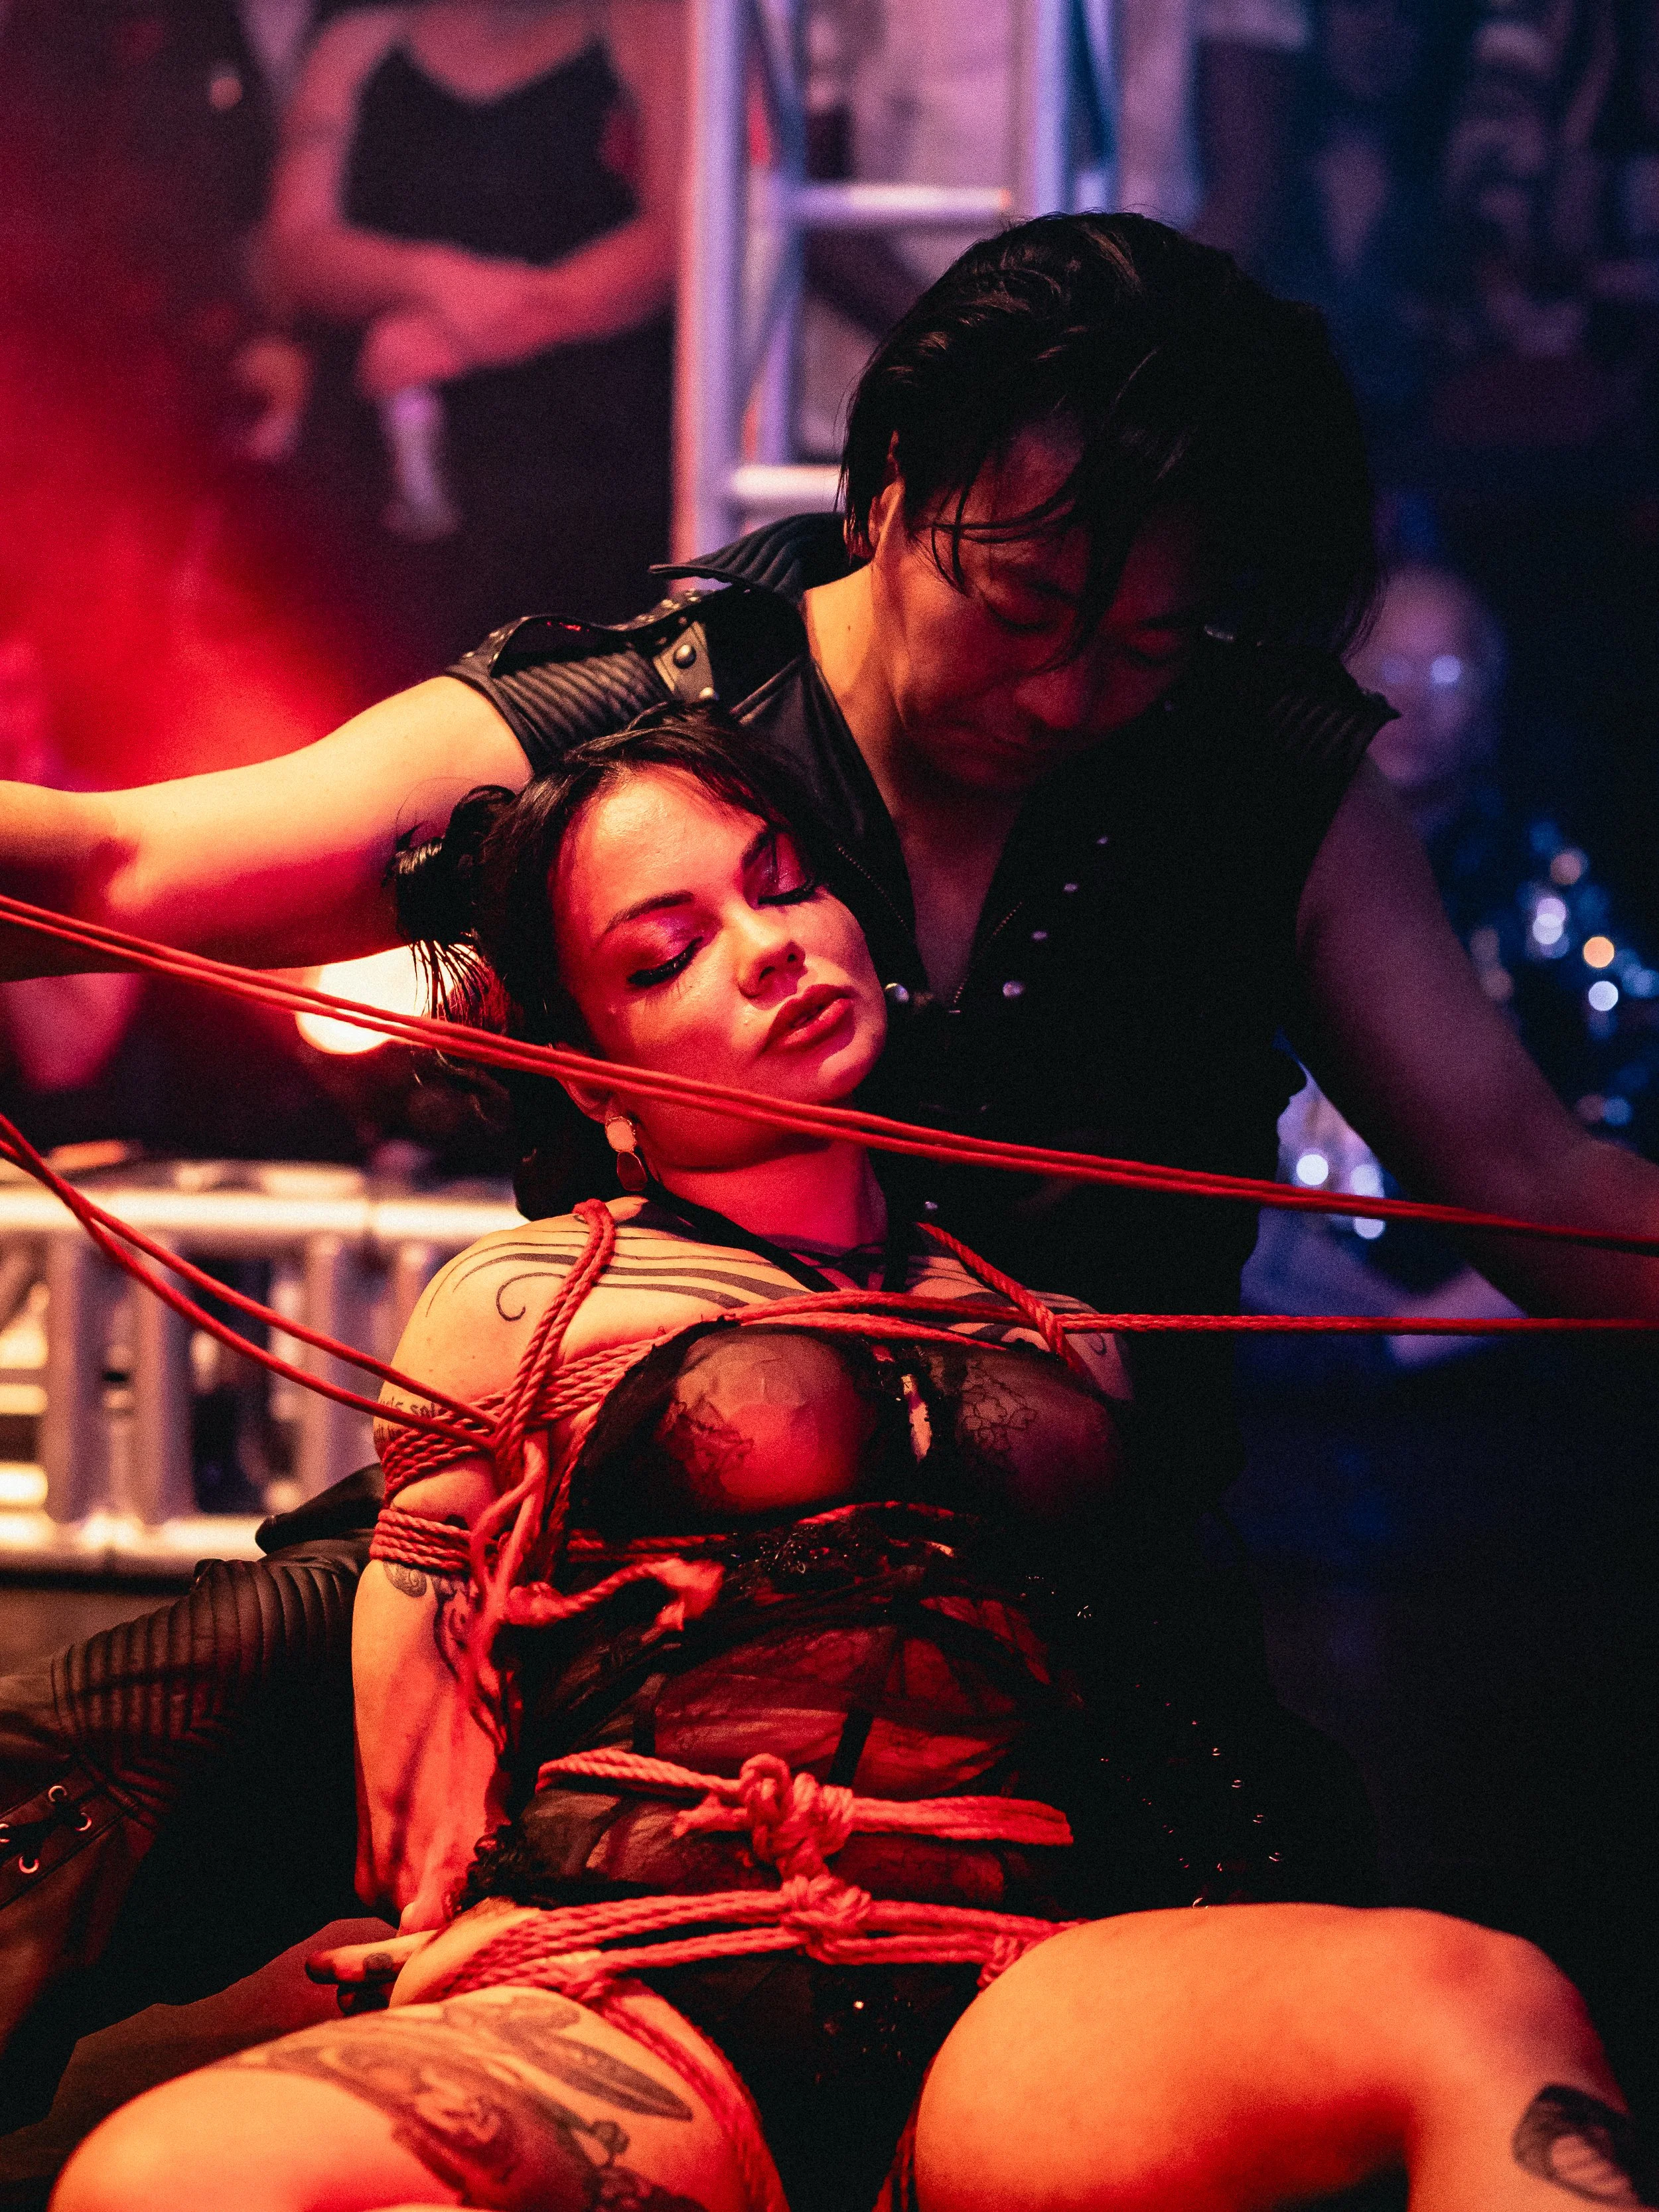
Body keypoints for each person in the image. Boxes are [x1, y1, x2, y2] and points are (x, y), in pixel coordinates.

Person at [3, 209, 1659, 2088]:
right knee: (82, 1784)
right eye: (1019, 609)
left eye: (1141, 642)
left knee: (1374, 2033)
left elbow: (1522, 1179)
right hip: (584, 1575)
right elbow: (126, 865)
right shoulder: (638, 716)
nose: (1060, 695)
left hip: (1060, 1618)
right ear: (884, 489)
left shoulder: (1253, 767)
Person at [49, 713, 1651, 2212]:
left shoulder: (1057, 1327)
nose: (767, 950)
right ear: (598, 1078)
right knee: (176, 2175)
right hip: (639, 1976)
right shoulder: (531, 1298)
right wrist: (436, 1937)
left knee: (1480, 2000)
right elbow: (421, 1703)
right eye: (668, 952)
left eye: (784, 886)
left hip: (1016, 1981)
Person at [262, 0, 684, 668]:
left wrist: (494, 326)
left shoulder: (646, 30)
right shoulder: (356, 45)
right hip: (382, 499)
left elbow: (679, 239)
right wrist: (427, 279)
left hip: (586, 492)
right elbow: (298, 247)